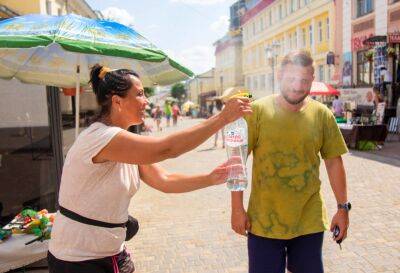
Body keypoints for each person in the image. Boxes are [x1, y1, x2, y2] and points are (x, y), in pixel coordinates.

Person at [47, 65, 252, 273]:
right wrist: (222, 118)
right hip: (77, 260)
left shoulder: (123, 142)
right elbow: (167, 148)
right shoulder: (100, 137)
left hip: (110, 254)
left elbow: (164, 179)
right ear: (117, 101)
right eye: (140, 94)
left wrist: (210, 178)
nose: (146, 101)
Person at [231, 51, 350, 273]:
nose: (297, 86)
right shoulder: (256, 112)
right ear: (279, 75)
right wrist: (237, 208)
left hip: (309, 221)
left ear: (312, 80)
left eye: (304, 80)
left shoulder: (323, 115)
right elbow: (237, 160)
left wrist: (343, 208)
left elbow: (334, 163)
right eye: (291, 79)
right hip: (264, 222)